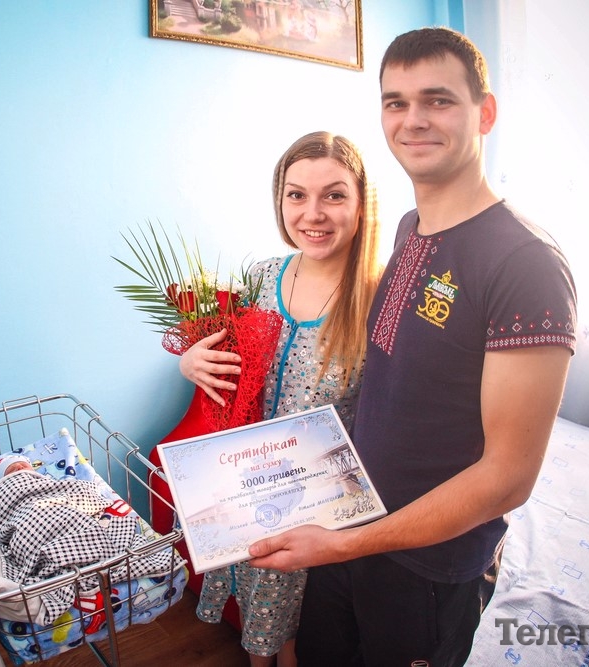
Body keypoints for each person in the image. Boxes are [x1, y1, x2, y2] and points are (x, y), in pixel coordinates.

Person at [247, 27, 578, 666]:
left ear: (485, 112)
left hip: (425, 566)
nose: (413, 119)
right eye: (395, 102)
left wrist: (345, 544)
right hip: (347, 529)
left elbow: (507, 478)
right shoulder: (411, 229)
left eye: (438, 100)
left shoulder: (525, 264)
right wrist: (340, 538)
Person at [180, 130, 383, 667]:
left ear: (362, 203)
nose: (312, 213)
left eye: (334, 195)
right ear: (280, 199)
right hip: (244, 479)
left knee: (294, 626)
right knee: (259, 611)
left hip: (315, 502)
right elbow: (227, 357)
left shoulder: (379, 298)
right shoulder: (263, 275)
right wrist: (191, 362)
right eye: (297, 194)